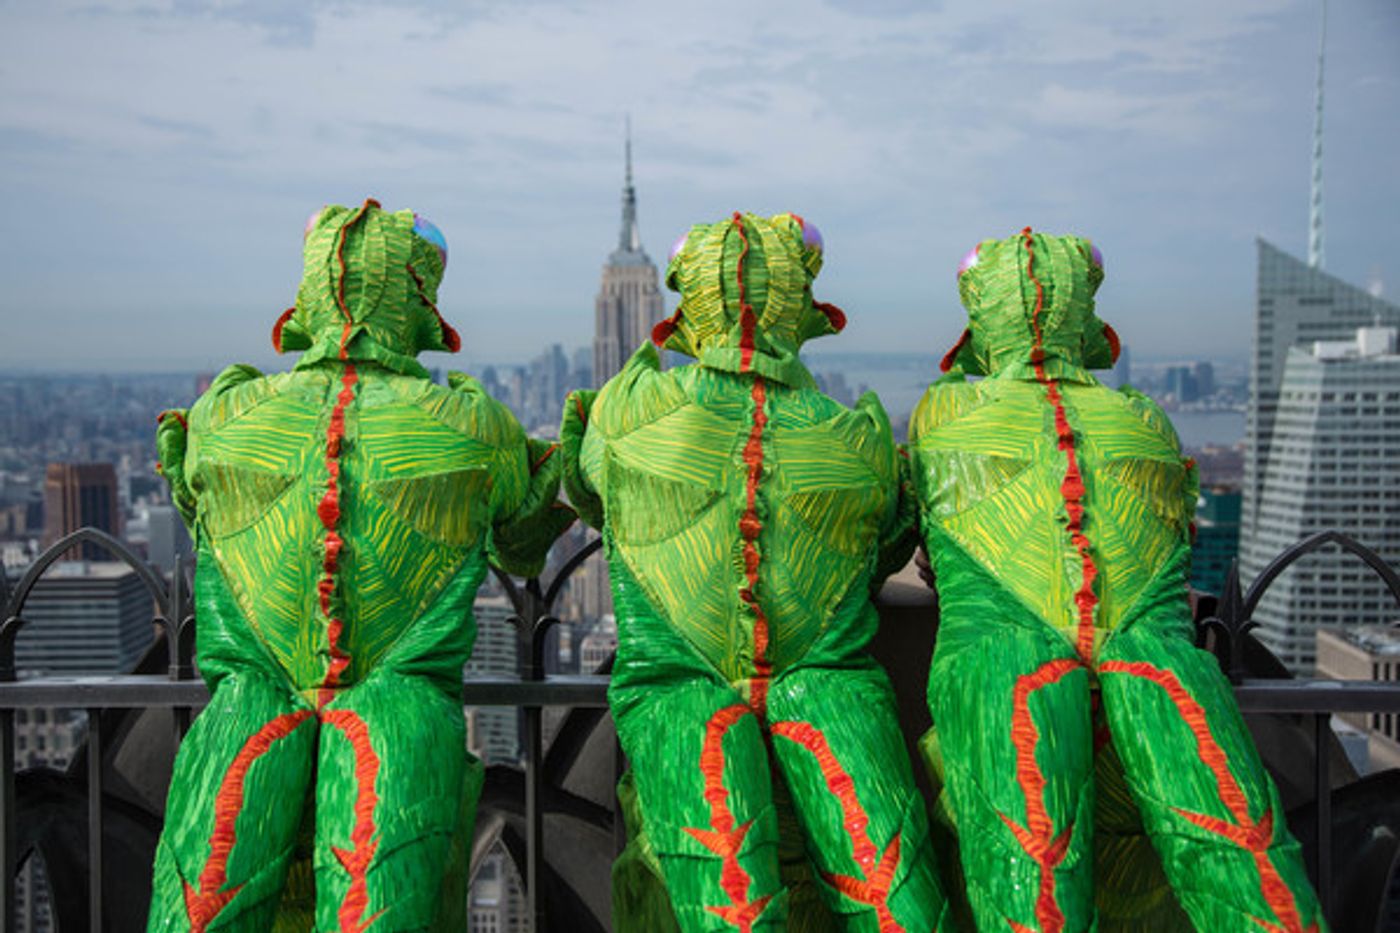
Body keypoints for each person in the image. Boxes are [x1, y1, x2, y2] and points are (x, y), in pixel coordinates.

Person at [148, 200, 572, 931]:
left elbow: (198, 510)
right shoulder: (469, 425)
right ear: (421, 302)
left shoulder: (224, 415)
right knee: (382, 900)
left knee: (202, 896)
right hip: (396, 704)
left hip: (250, 696)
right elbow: (523, 542)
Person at [909, 228, 1325, 931]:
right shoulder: (1145, 419)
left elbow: (906, 532)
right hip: (1156, 675)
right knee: (1235, 858)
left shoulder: (944, 417)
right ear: (1085, 313)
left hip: (1009, 684)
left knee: (1026, 878)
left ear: (982, 316)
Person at [562, 211, 949, 931]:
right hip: (826, 685)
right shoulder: (856, 437)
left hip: (682, 692)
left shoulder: (626, 414)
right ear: (804, 304)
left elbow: (588, 490)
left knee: (725, 897)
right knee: (895, 893)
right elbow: (885, 546)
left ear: (687, 306)